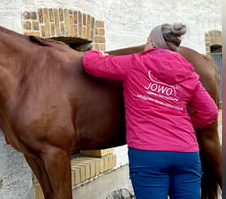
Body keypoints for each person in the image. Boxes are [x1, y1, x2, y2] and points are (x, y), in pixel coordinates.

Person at [82, 23, 218, 199]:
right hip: (186, 153)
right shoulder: (189, 73)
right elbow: (210, 112)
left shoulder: (134, 63)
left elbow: (91, 63)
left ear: (153, 43)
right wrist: (187, 126)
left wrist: (96, 52)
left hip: (148, 154)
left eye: (147, 40)